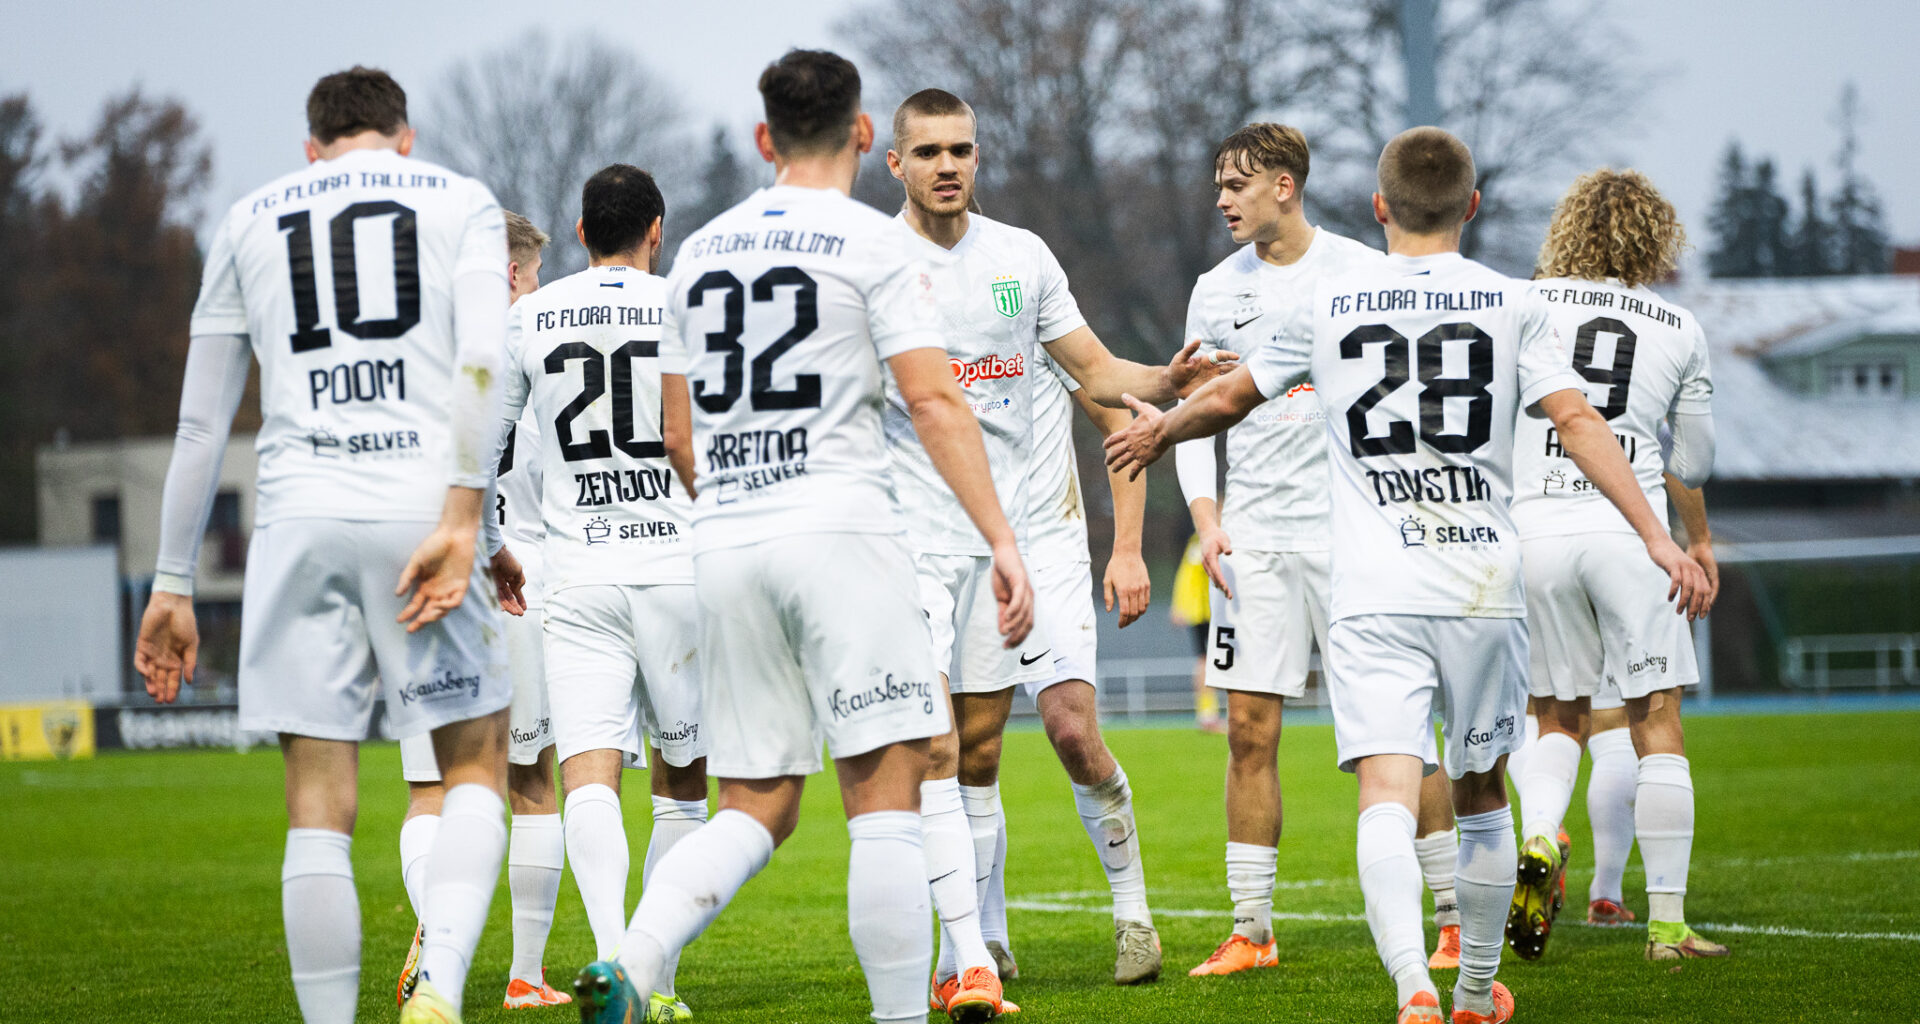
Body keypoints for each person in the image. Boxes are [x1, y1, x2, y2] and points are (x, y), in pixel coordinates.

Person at [1104, 127, 1710, 1024]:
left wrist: (1160, 429)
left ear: (1380, 207)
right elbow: (1580, 422)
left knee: (1386, 788)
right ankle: (1472, 990)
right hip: (1481, 583)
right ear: (1471, 207)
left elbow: (1232, 394)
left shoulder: (1333, 298)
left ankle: (1413, 991)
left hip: (1373, 585)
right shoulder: (1513, 302)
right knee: (1478, 791)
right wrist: (1659, 537)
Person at [573, 50, 1032, 1024]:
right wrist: (1001, 538)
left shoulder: (697, 255)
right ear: (866, 137)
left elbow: (674, 432)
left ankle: (634, 957)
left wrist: (739, 503)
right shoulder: (875, 245)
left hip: (728, 541)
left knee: (756, 803)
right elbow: (933, 399)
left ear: (762, 139)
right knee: (886, 793)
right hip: (844, 530)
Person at [134, 66, 515, 1024]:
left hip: (298, 516)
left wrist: (172, 581)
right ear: (405, 138)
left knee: (318, 805)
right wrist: (471, 517)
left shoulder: (250, 216)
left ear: (312, 148)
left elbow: (198, 426)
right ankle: (439, 978)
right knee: (474, 764)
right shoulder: (459, 201)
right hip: (419, 511)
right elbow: (483, 362)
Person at [882, 87, 1215, 994]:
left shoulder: (1020, 259)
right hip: (928, 543)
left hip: (1039, 534)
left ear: (978, 159)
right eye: (930, 152)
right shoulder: (874, 269)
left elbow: (1100, 377)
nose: (948, 165)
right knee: (966, 751)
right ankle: (980, 948)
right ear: (897, 164)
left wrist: (1163, 377)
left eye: (963, 150)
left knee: (1071, 729)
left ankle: (1135, 917)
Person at [1173, 123, 1466, 978]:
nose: (1223, 199)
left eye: (1237, 183)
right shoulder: (1212, 290)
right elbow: (1195, 417)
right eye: (1218, 184)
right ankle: (1251, 931)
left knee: (1401, 732)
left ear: (1285, 186)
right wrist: (1206, 517)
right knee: (1247, 732)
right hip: (1254, 542)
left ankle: (1450, 916)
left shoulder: (1361, 276)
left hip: (1355, 541)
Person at [482, 164, 712, 1013]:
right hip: (676, 572)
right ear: (657, 229)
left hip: (576, 578)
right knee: (684, 781)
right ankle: (654, 976)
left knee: (587, 780)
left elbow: (487, 448)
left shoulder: (529, 316)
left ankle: (613, 953)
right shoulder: (684, 305)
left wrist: (495, 546)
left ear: (580, 234)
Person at [1506, 169, 1726, 962]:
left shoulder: (1522, 304)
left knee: (1554, 717)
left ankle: (1538, 841)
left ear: (1566, 229)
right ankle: (1665, 925)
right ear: (1654, 237)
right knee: (1652, 721)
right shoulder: (1678, 324)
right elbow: (1693, 459)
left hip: (1532, 532)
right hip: (1630, 533)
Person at [392, 209, 572, 1011]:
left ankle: (435, 936)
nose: (535, 291)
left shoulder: (417, 359)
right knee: (532, 781)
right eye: (530, 277)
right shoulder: (525, 356)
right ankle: (525, 975)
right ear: (510, 275)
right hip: (509, 579)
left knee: (428, 789)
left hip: (418, 582)